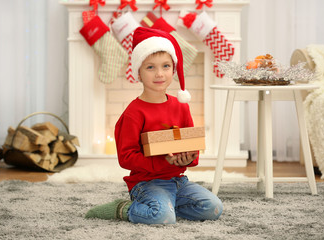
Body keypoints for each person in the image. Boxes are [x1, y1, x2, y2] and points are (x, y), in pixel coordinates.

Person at [85, 27, 223, 224]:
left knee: (213, 207)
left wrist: (186, 160)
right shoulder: (133, 113)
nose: (159, 74)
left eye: (166, 66)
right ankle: (124, 208)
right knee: (161, 217)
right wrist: (161, 162)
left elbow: (191, 146)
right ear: (138, 73)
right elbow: (126, 158)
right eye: (150, 67)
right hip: (146, 183)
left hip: (178, 181)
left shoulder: (181, 106)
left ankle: (167, 204)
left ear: (173, 70)